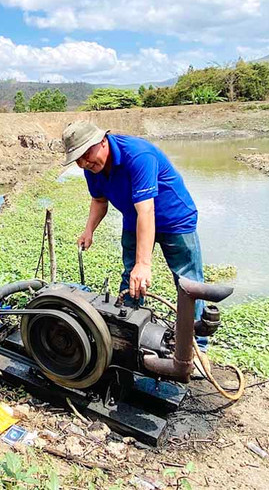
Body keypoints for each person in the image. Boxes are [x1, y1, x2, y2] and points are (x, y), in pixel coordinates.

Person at [62, 120, 209, 349]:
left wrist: (144, 263)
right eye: (77, 159)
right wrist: (88, 230)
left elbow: (147, 210)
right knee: (130, 276)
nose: (83, 162)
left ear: (102, 141)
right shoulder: (92, 167)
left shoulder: (138, 155)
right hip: (134, 218)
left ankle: (196, 347)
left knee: (188, 282)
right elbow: (99, 200)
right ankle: (127, 331)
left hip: (175, 219)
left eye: (85, 154)